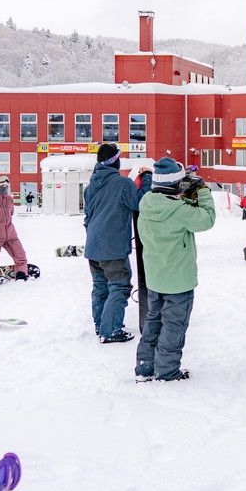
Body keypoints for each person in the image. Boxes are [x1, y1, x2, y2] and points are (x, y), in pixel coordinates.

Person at [134, 157, 216, 383]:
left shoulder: (147, 203)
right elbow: (207, 219)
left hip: (155, 277)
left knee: (153, 323)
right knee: (173, 327)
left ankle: (145, 367)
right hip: (178, 281)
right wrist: (203, 190)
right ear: (175, 185)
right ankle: (167, 371)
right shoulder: (179, 211)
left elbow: (174, 206)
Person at [84, 143, 149, 343]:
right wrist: (147, 178)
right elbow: (142, 203)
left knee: (101, 286)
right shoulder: (122, 184)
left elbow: (88, 216)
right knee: (119, 286)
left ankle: (101, 324)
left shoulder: (90, 186)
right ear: (115, 162)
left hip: (93, 245)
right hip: (112, 247)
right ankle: (110, 329)